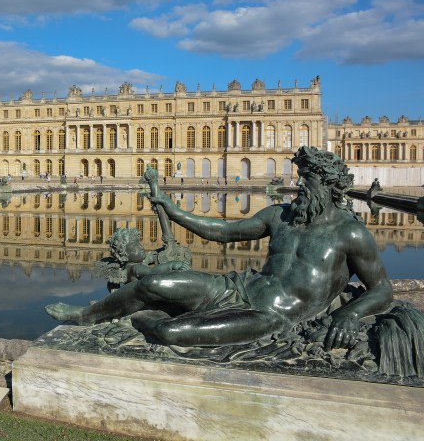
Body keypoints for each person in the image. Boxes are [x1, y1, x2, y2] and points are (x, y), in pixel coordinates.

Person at [47, 146, 393, 351]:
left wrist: (349, 313)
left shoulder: (351, 233)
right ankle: (84, 316)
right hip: (237, 287)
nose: (298, 185)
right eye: (300, 177)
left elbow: (382, 290)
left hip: (270, 315)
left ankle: (155, 316)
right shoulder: (281, 215)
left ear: (329, 185)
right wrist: (172, 208)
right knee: (152, 283)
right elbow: (224, 231)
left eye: (307, 180)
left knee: (171, 333)